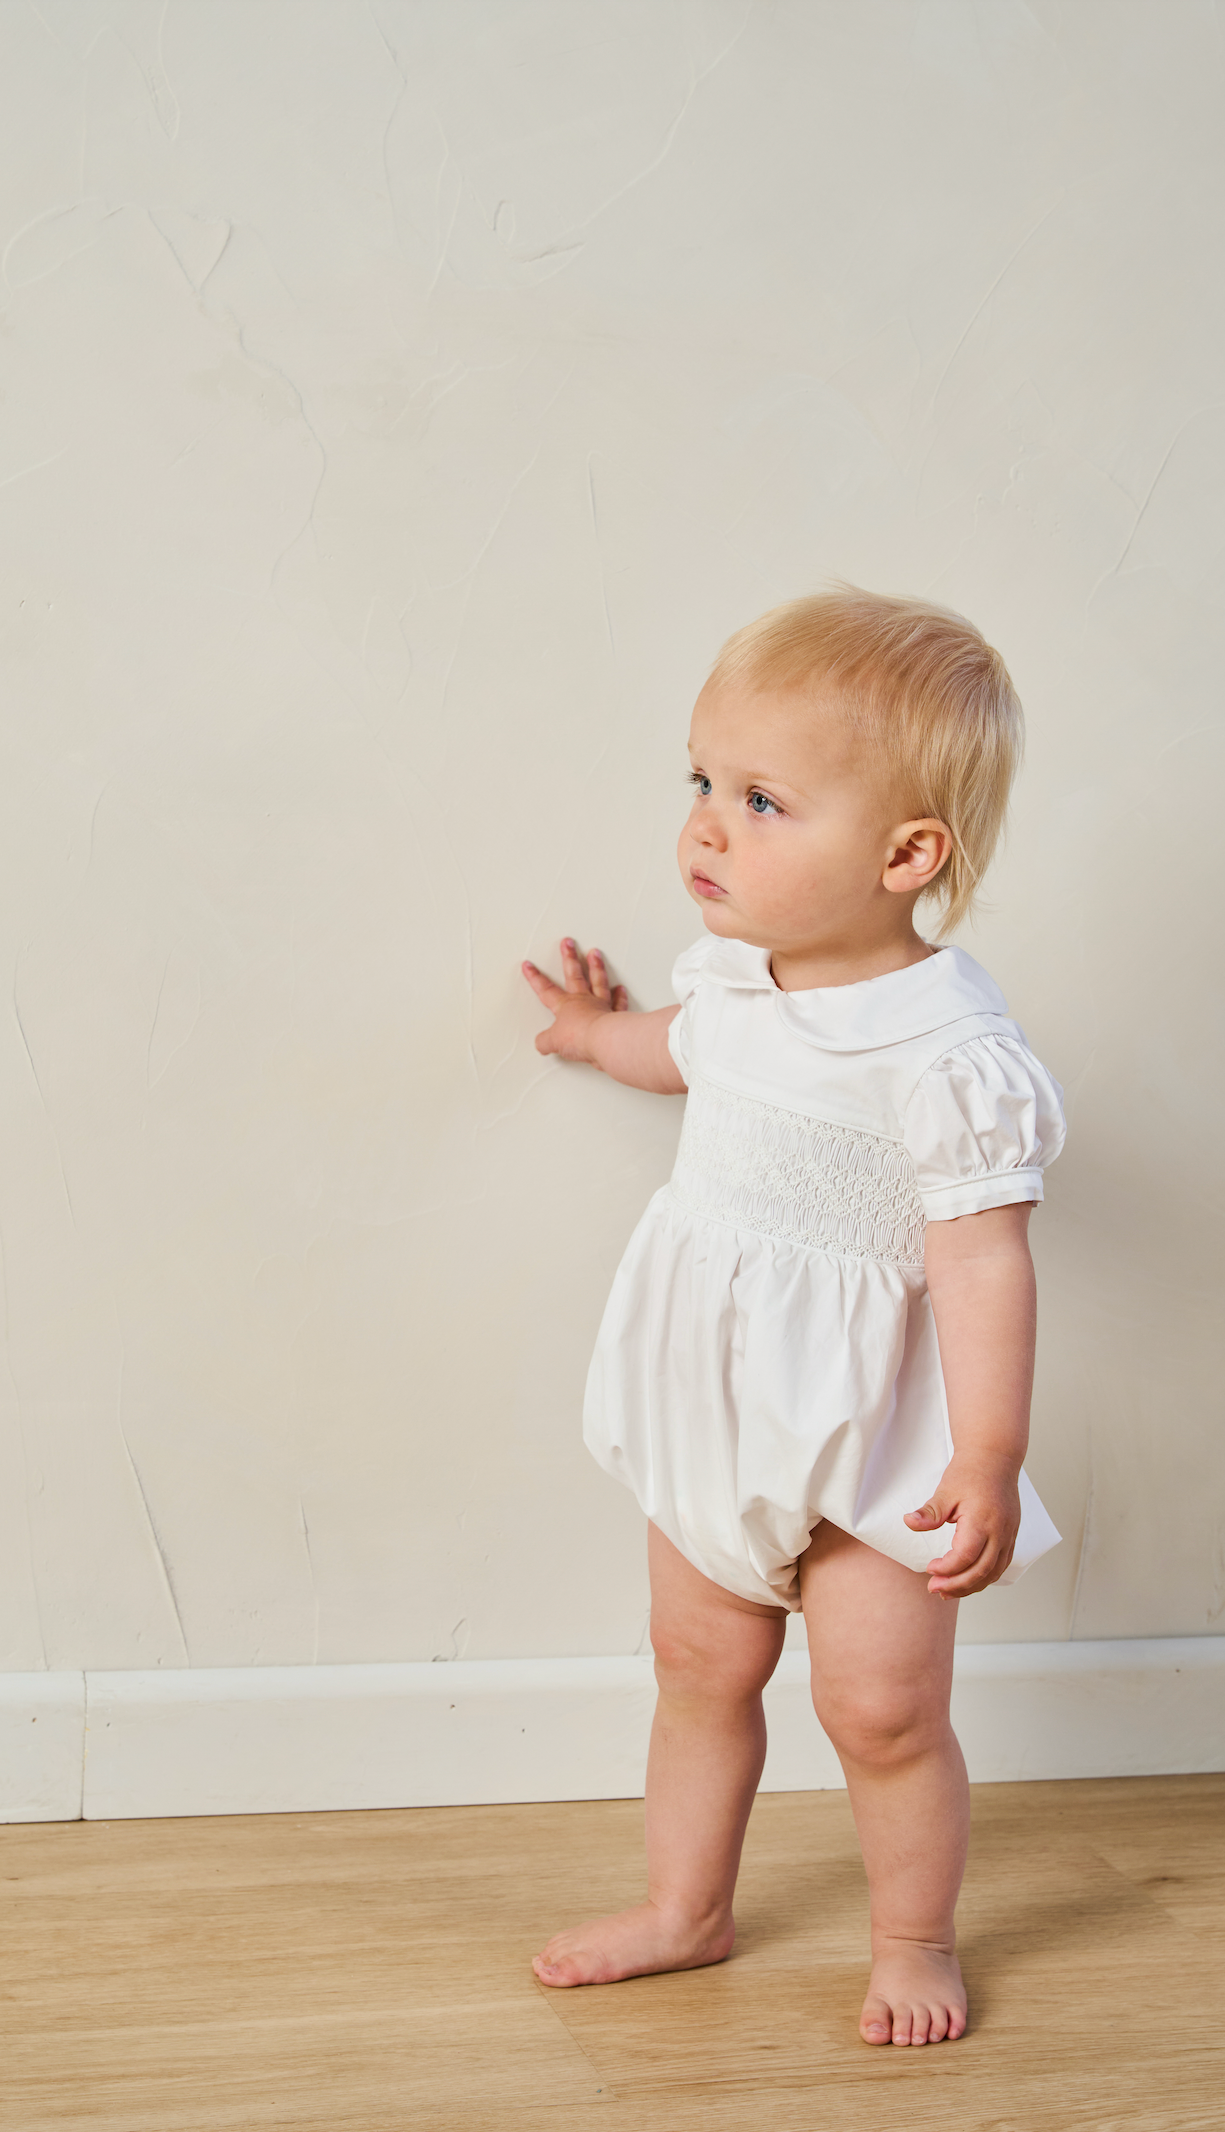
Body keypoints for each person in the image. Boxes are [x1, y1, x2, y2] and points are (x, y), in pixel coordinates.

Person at [520, 587, 1065, 2048]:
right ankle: (685, 1908)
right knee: (698, 1665)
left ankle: (915, 1937)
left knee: (880, 1711)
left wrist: (992, 1453)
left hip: (877, 1434)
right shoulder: (736, 983)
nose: (705, 826)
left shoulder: (950, 1050)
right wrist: (589, 1034)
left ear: (905, 855)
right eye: (701, 781)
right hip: (712, 1399)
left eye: (761, 800)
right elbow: (681, 1052)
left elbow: (982, 1261)